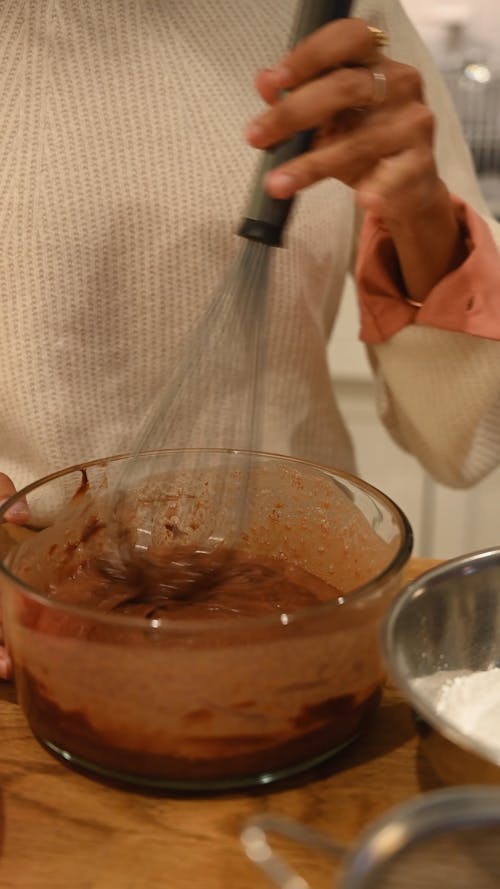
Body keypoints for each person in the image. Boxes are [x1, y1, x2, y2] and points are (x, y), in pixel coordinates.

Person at [0, 1, 499, 674]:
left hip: (310, 617)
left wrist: (420, 215)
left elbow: (461, 443)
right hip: (33, 636)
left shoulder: (341, 16)